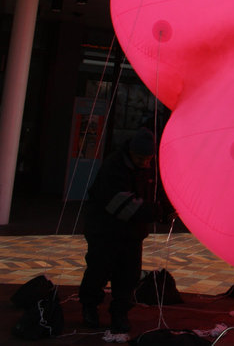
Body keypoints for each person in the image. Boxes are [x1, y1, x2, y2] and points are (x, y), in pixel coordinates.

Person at [79, 127, 163, 335]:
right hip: (104, 230)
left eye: (148, 158)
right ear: (131, 152)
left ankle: (119, 314)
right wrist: (159, 210)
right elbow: (124, 206)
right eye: (140, 157)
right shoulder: (113, 167)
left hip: (132, 234)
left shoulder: (150, 167)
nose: (144, 162)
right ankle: (89, 306)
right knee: (99, 270)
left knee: (129, 275)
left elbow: (156, 193)